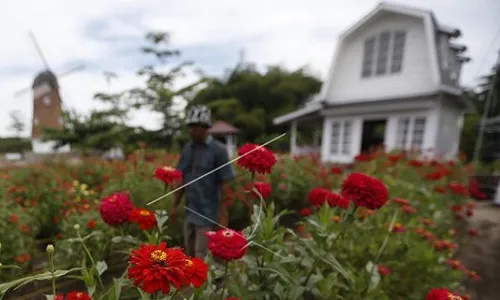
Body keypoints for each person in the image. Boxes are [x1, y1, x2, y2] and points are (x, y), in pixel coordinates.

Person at [171, 105, 235, 258]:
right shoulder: (188, 149)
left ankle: (206, 282)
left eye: (195, 126)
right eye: (190, 126)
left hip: (208, 214)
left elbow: (225, 183)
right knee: (189, 254)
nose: (191, 130)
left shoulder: (218, 150)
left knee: (202, 255)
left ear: (205, 127)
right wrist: (174, 205)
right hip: (190, 212)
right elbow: (182, 179)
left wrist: (223, 217)